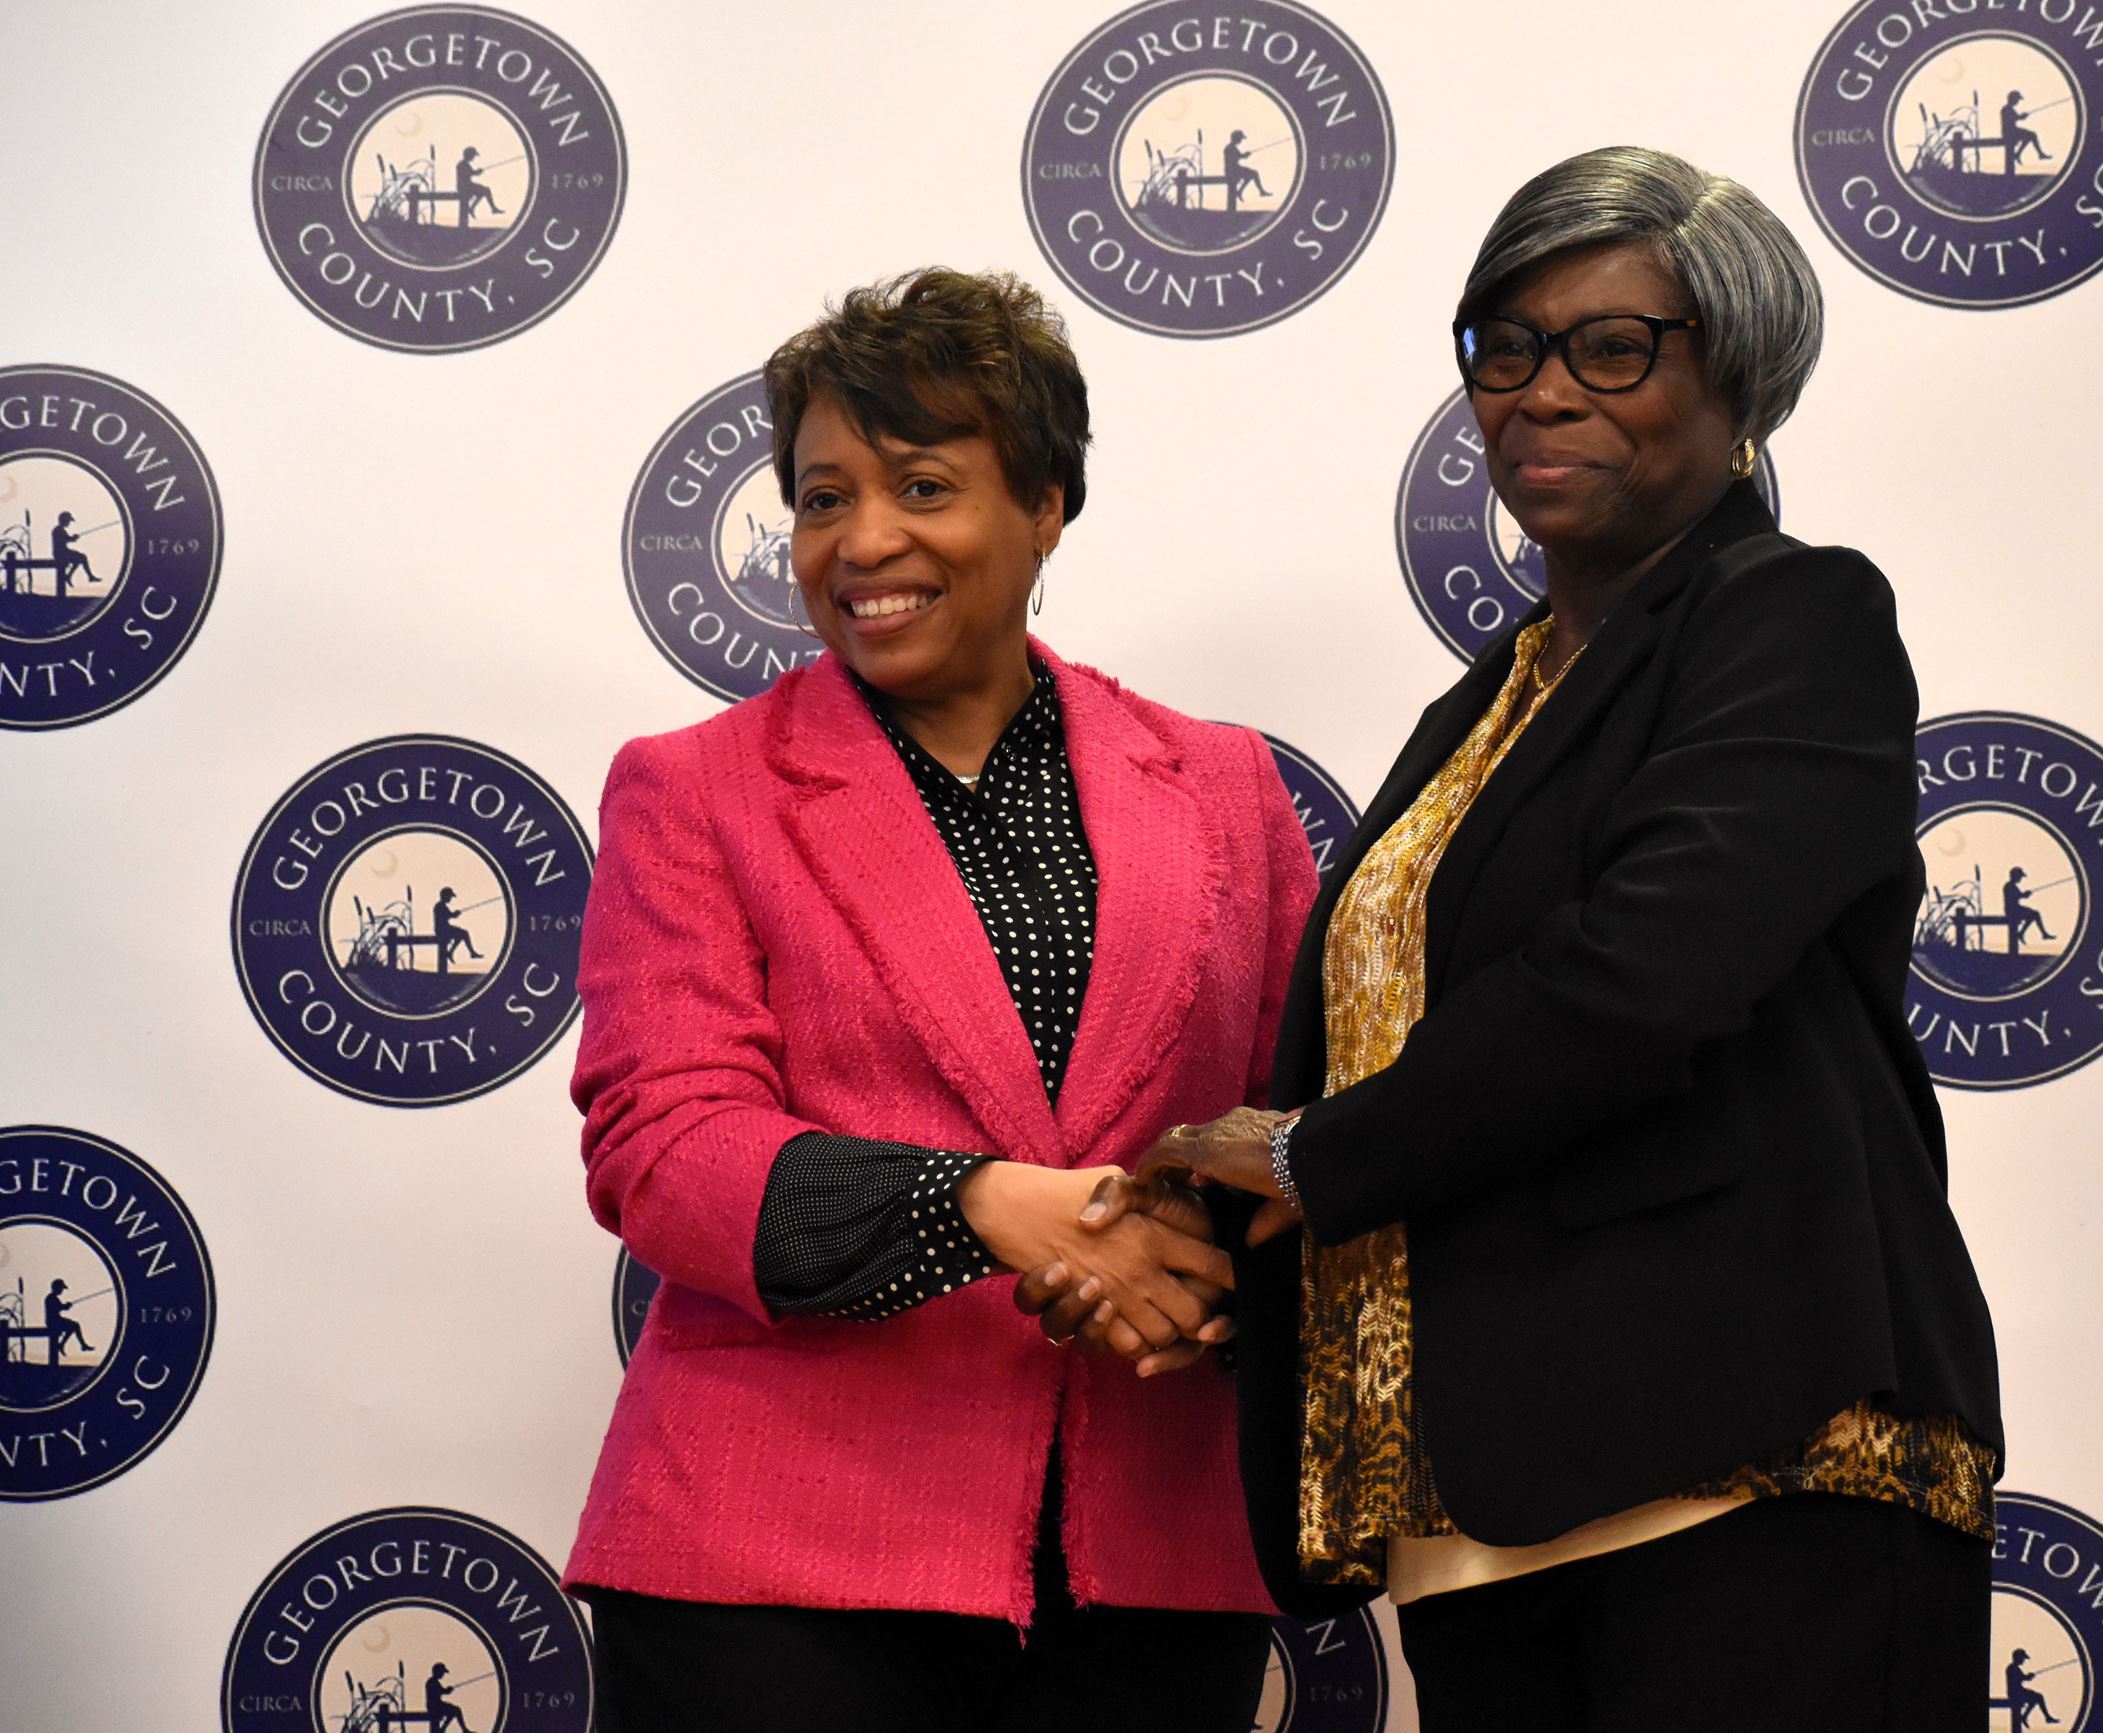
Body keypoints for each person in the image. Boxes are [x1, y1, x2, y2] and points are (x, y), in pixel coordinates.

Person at [1028, 147, 2002, 1730]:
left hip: (1750, 1468)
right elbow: (1410, 1059)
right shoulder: (1483, 706)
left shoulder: (1796, 618)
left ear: (1741, 381)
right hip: (1491, 1521)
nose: (1544, 391)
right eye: (1508, 345)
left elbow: (1640, 982)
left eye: (1615, 346)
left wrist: (1309, 1161)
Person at [564, 268, 1319, 1733]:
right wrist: (980, 1200)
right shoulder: (695, 788)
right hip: (770, 1571)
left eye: (922, 483)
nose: (863, 541)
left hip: (1153, 1560)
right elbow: (662, 1145)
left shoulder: (1228, 787)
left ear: (1045, 504)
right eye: (822, 495)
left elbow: (1299, 1124)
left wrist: (1200, 1251)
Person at [431, 888, 483, 969]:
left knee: (461, 934)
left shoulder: (441, 906)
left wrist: (454, 914)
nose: (451, 899)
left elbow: (450, 915)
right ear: (445, 896)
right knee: (464, 933)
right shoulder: (440, 906)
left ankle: (451, 952)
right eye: (450, 896)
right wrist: (455, 914)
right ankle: (470, 953)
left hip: (443, 929)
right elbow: (449, 916)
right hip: (442, 930)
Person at [2004, 1648, 2057, 1728]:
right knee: (2039, 1697)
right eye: (2023, 1658)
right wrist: (2028, 1676)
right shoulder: (2012, 1668)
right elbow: (2021, 1678)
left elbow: (2022, 1678)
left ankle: (2025, 1717)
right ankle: (2046, 1717)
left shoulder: (2013, 1668)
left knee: (2035, 1699)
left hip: (2016, 1692)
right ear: (2018, 1657)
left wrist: (2028, 1676)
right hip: (2016, 1693)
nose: (2024, 1660)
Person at [2003, 866, 2054, 947]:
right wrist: (2025, 894)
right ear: (2015, 876)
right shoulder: (2009, 886)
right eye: (2020, 876)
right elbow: (2019, 896)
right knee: (2035, 914)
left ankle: (2022, 933)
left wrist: (2025, 894)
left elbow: (2020, 896)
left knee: (2033, 915)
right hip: (2012, 911)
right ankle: (2042, 934)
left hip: (2014, 909)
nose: (2021, 879)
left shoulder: (2011, 886)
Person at [2000, 91, 2050, 171]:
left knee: (2029, 136)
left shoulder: (2009, 109)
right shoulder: (2006, 109)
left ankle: (2018, 154)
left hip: (2011, 131)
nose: (2018, 102)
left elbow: (2016, 118)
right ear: (2013, 99)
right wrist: (2021, 116)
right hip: (2009, 133)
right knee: (2032, 135)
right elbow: (2013, 119)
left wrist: (2021, 116)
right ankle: (2039, 154)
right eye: (2017, 99)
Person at [44, 1279, 93, 1359]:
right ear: (57, 1288)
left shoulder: (52, 1297)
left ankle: (63, 1345)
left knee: (73, 1326)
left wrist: (66, 1306)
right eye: (61, 1288)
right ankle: (80, 1345)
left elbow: (60, 1307)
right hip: (53, 1322)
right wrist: (66, 1306)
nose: (62, 1290)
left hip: (55, 1321)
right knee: (75, 1325)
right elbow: (58, 1308)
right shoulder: (51, 1298)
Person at [50, 513, 96, 594]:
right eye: (68, 521)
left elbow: (67, 539)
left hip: (61, 552)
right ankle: (89, 576)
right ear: (64, 520)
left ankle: (69, 576)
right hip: (61, 553)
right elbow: (65, 540)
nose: (69, 523)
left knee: (79, 558)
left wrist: (73, 538)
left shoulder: (59, 530)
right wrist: (73, 538)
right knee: (82, 557)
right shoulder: (58, 530)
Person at [1221, 130, 1270, 207]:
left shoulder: (1231, 147)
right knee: (1254, 173)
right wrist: (1244, 155)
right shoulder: (1229, 148)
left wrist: (1244, 155)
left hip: (1233, 169)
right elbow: (1234, 158)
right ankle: (1260, 191)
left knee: (1251, 174)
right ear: (1236, 138)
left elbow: (1238, 156)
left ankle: (1241, 191)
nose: (1241, 141)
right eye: (1240, 139)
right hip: (1232, 171)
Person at [456, 147, 502, 223]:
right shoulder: (462, 164)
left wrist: (477, 172)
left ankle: (472, 208)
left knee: (483, 191)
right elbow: (470, 173)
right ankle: (492, 208)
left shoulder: (464, 164)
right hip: (464, 187)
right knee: (486, 190)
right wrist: (477, 172)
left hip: (465, 186)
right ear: (469, 155)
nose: (474, 158)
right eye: (473, 156)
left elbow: (471, 173)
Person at [423, 1662, 470, 1733]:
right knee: (456, 1710)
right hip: (434, 1706)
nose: (443, 1675)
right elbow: (440, 1691)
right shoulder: (432, 1682)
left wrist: (447, 1690)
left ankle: (443, 1729)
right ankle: (462, 1730)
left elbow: (441, 1691)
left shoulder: (433, 1681)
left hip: (436, 1705)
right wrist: (447, 1690)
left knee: (454, 1711)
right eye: (442, 1672)